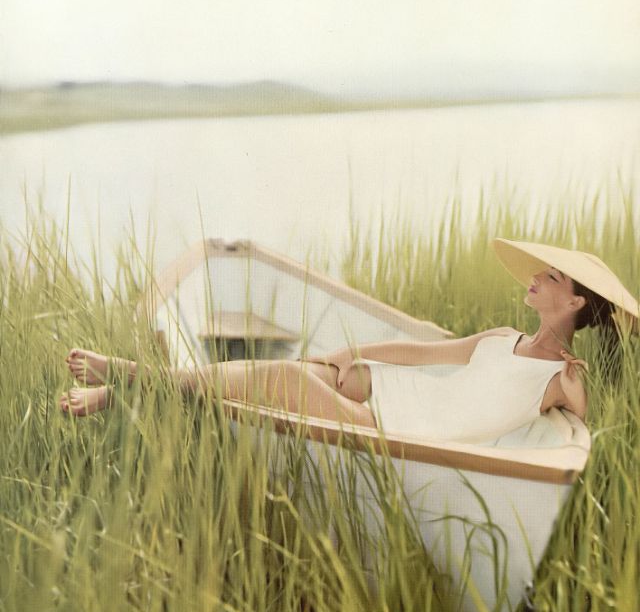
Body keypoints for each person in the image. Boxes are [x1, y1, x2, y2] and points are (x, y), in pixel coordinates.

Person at [60, 239, 639, 444]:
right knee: (302, 371)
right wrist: (351, 353)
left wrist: (578, 380)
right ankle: (129, 384)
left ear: (575, 303)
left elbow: (589, 415)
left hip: (402, 432)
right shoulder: (500, 337)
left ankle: (129, 381)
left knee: (280, 375)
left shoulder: (564, 376)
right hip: (390, 395)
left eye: (550, 277)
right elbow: (421, 353)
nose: (534, 278)